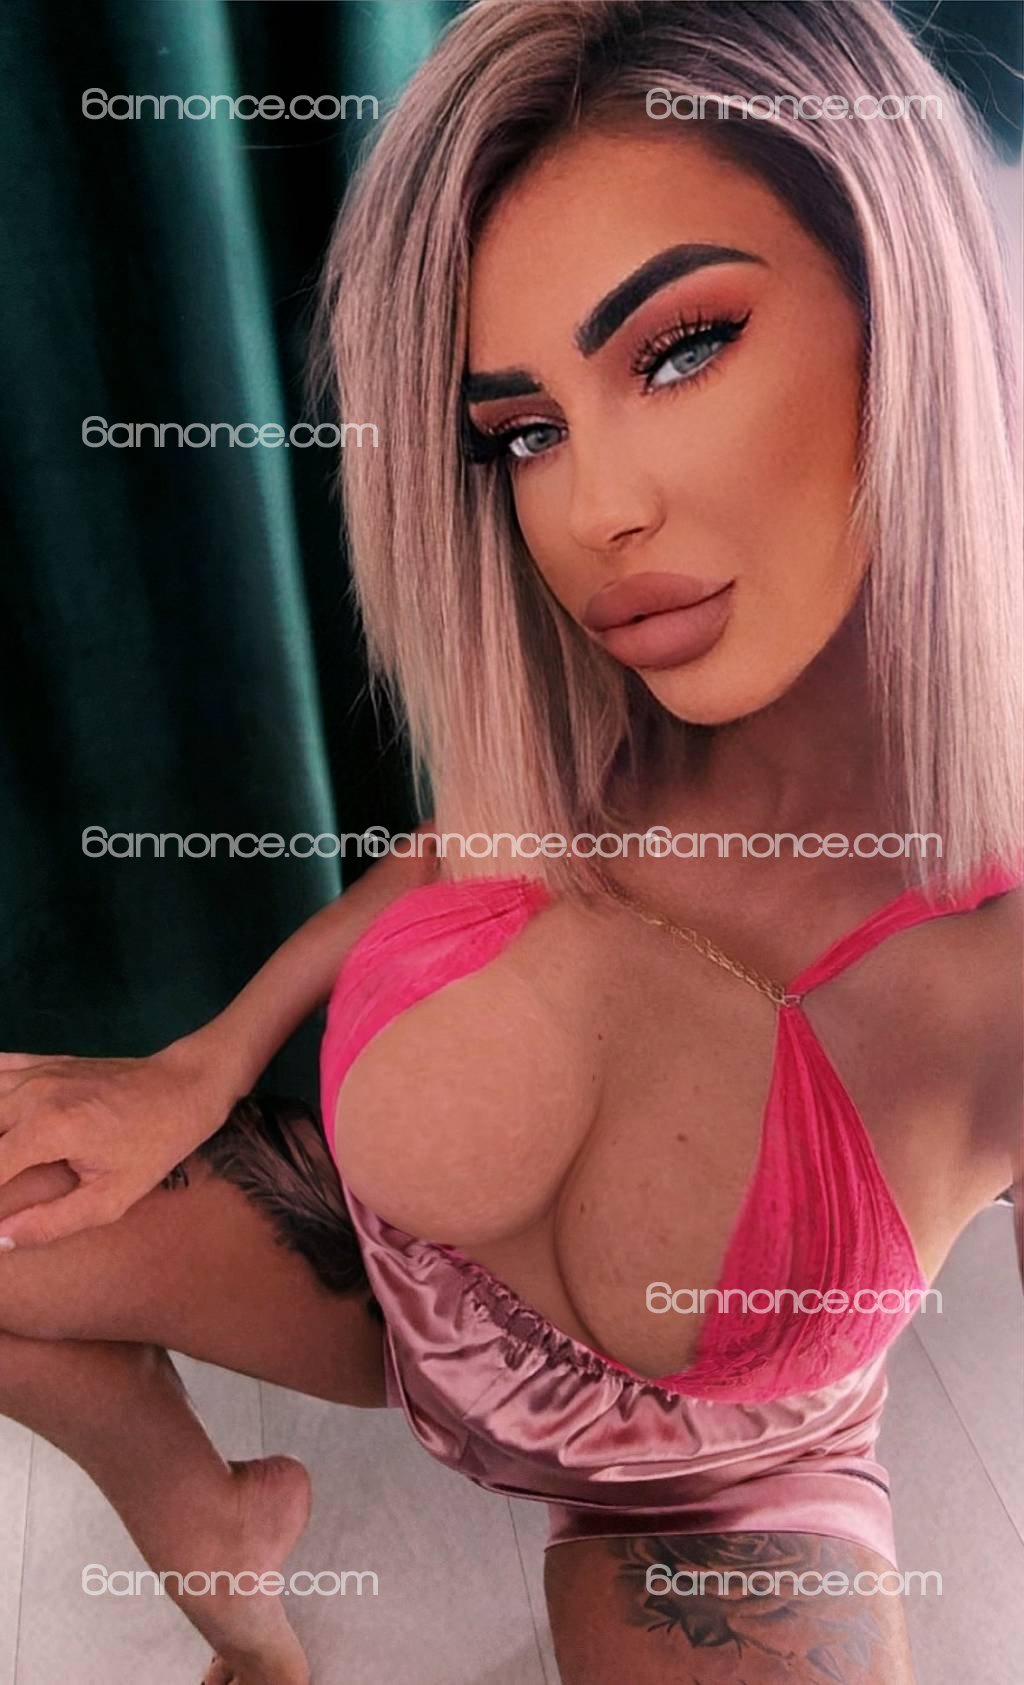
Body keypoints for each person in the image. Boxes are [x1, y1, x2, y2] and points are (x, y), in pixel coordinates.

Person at [0, 2, 1020, 1681]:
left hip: (704, 1502)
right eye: (522, 431)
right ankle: (227, 1557)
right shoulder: (596, 723)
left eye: (680, 349)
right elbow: (450, 850)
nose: (591, 512)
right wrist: (196, 1065)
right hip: (394, 1299)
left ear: (909, 312)